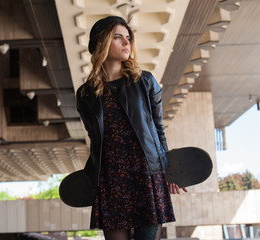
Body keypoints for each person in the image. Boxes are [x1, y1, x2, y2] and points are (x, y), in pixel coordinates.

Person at [76, 16, 187, 240]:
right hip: (110, 178)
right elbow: (95, 140)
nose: (127, 43)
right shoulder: (85, 94)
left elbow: (158, 129)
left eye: (128, 38)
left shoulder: (145, 81)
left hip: (146, 174)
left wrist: (169, 168)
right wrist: (92, 178)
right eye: (118, 37)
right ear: (102, 43)